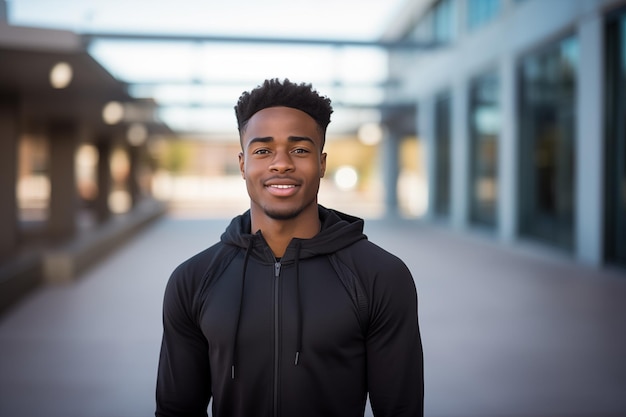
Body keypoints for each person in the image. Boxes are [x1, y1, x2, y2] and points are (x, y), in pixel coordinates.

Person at [155, 78, 424, 417]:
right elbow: (175, 410)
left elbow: (401, 410)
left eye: (299, 150)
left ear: (322, 163)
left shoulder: (381, 276)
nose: (281, 163)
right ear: (242, 164)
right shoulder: (193, 280)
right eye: (263, 150)